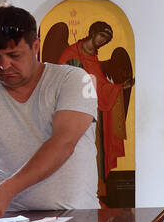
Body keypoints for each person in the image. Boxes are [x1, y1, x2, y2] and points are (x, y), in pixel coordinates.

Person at [0, 5, 100, 220]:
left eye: (14, 55)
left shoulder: (76, 80)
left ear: (35, 46)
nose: (4, 65)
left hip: (76, 220)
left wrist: (5, 192)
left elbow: (64, 143)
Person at [54, 20, 134, 193]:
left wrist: (119, 88)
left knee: (95, 150)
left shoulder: (94, 57)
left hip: (95, 111)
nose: (103, 40)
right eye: (102, 35)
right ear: (93, 32)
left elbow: (99, 83)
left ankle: (95, 190)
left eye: (106, 39)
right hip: (75, 112)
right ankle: (77, 190)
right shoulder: (71, 53)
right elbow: (64, 81)